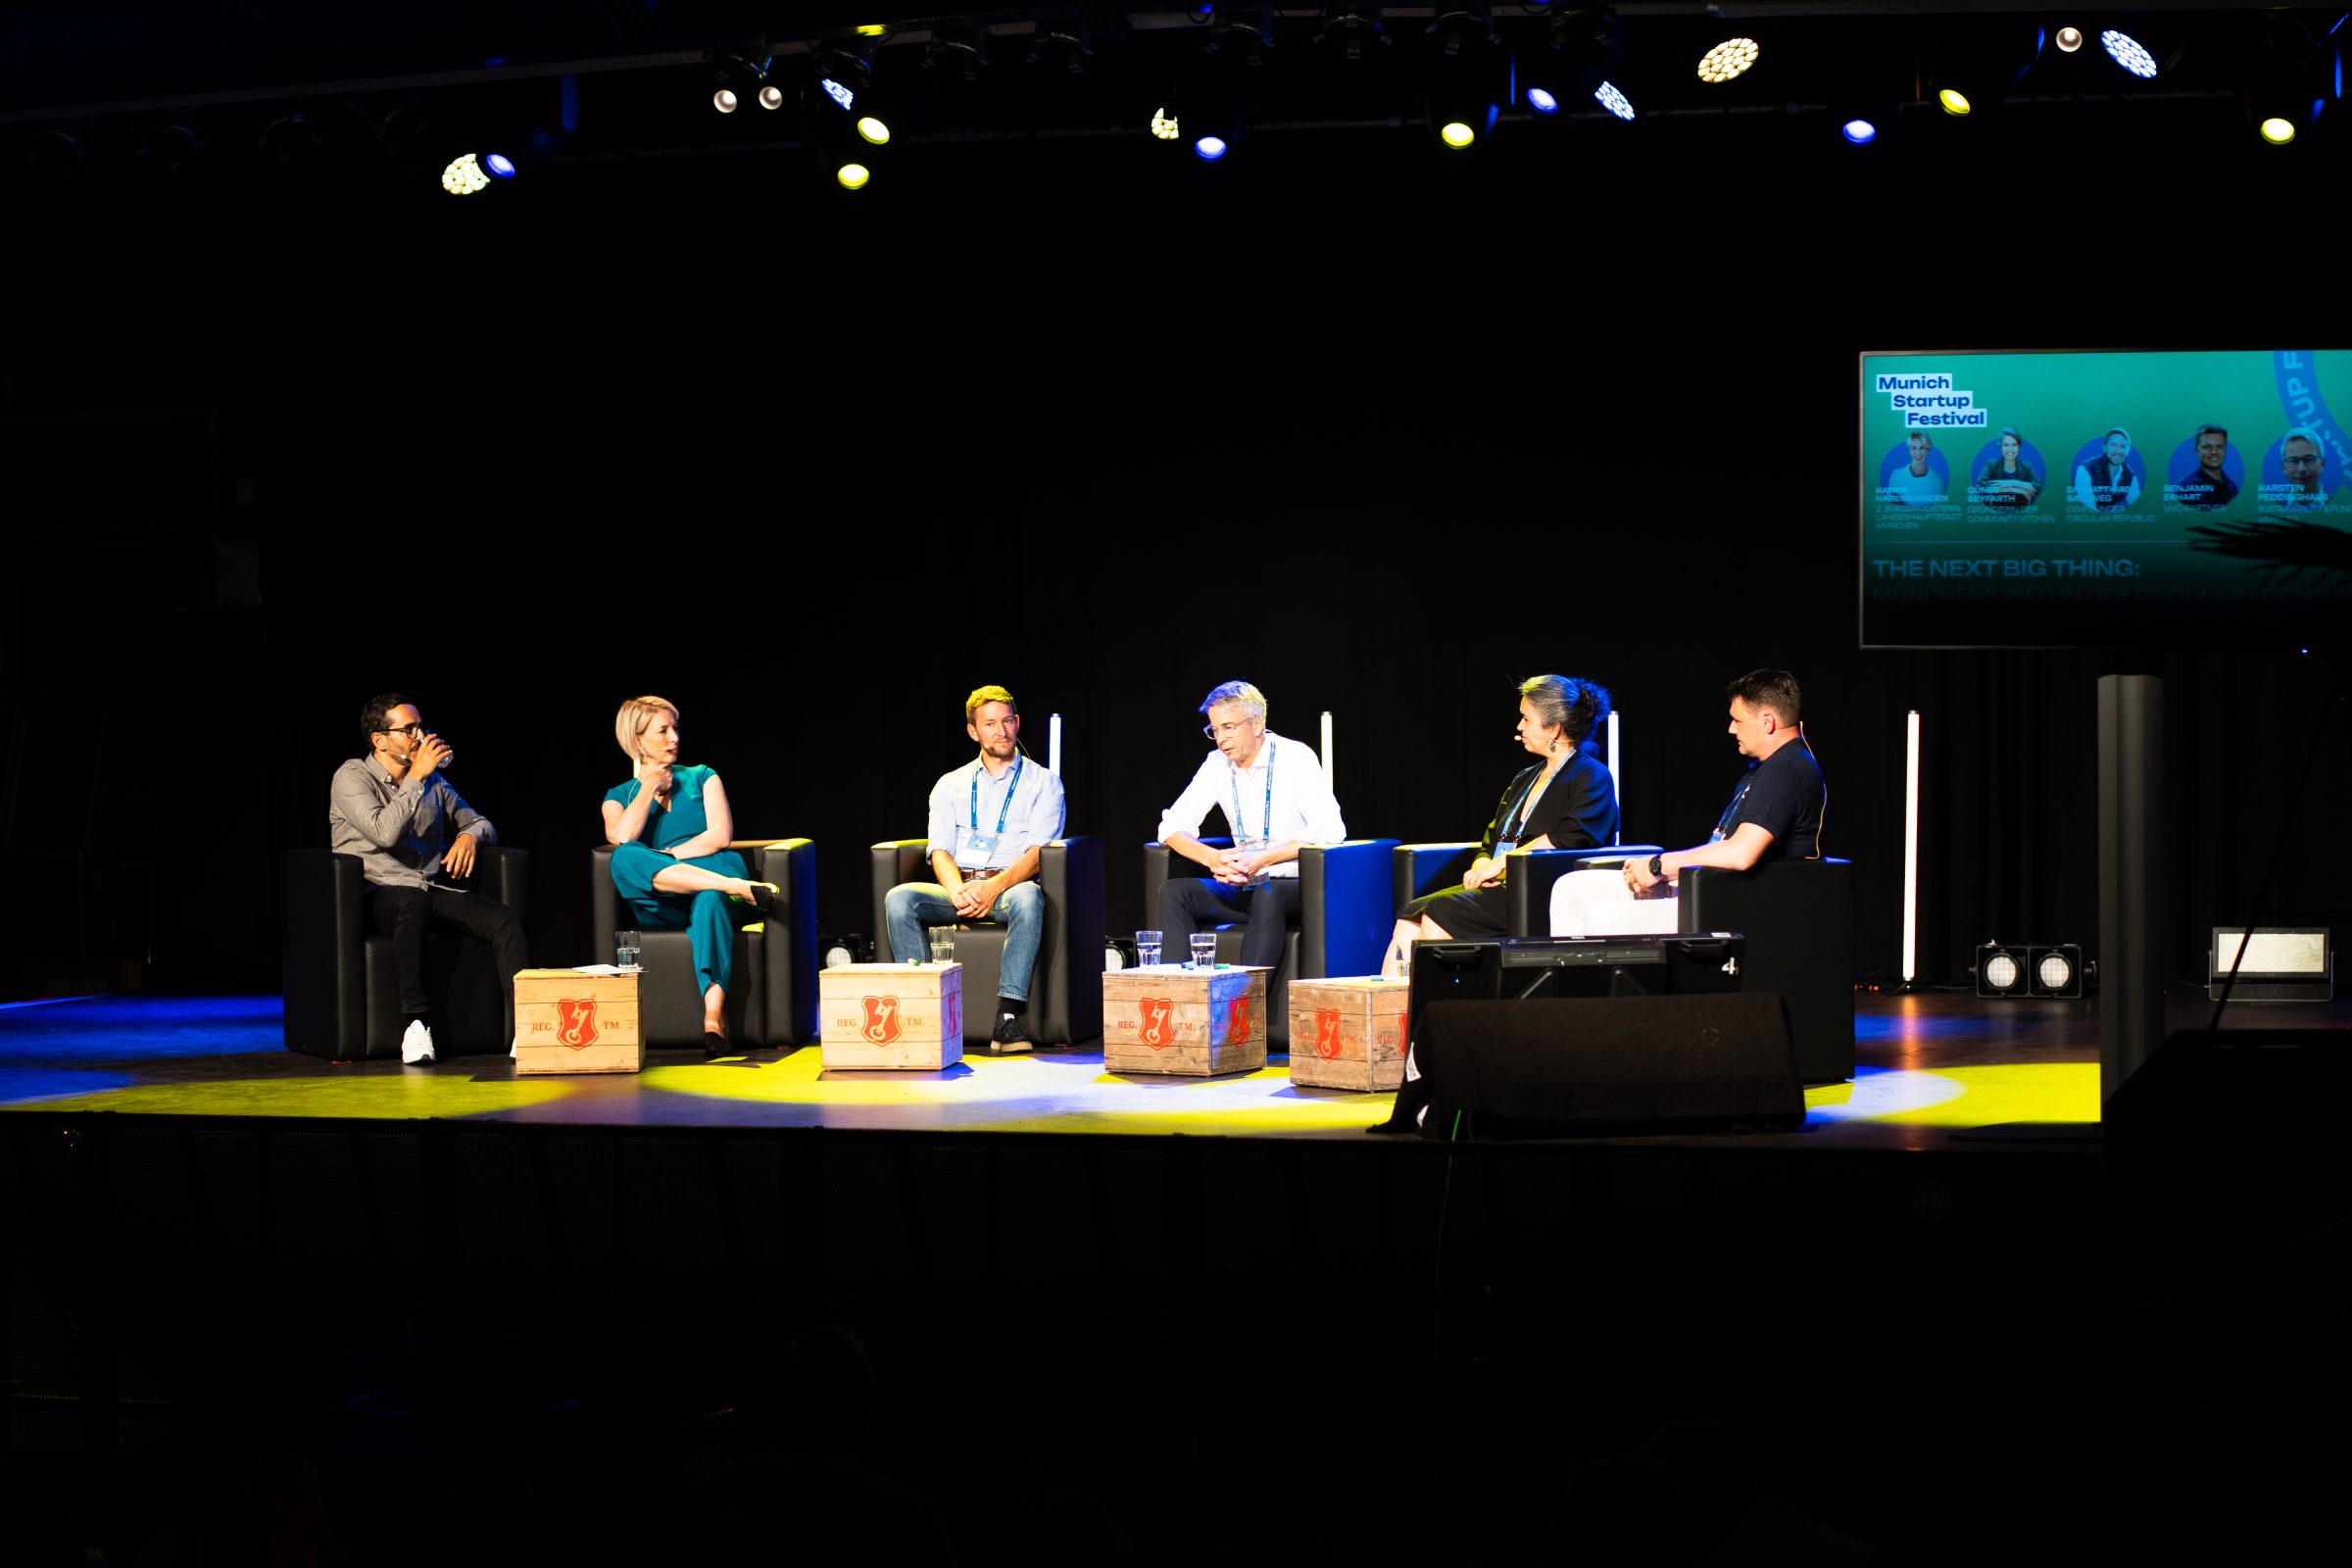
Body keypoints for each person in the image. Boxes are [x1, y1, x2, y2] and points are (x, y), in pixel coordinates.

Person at [1546, 669, 1827, 938]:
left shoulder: (1786, 769)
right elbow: (1724, 846)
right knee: (1570, 889)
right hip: (1708, 889)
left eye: (1737, 720)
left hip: (1735, 904)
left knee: (1609, 917)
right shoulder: (1766, 769)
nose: (1731, 729)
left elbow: (1741, 853)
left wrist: (1659, 866)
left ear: (1767, 722)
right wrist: (1671, 875)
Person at [328, 693, 529, 1065]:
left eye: (420, 727)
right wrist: (416, 777)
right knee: (411, 900)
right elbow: (383, 832)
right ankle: (416, 1024)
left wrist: (469, 836)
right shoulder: (352, 776)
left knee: (504, 919)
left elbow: (481, 822)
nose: (420, 736)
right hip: (376, 890)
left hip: (426, 888)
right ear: (380, 740)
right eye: (408, 729)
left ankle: (526, 1028)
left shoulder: (434, 783)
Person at [1380, 674, 1619, 974]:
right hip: (1501, 887)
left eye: (1526, 719)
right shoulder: (1525, 778)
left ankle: (1436, 1001)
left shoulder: (1591, 777)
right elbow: (1493, 838)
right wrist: (1482, 866)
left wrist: (1501, 864)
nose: (1519, 727)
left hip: (1540, 889)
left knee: (1437, 917)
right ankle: (1395, 1003)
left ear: (1554, 729)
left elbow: (1570, 836)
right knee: (1410, 917)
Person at [882, 684, 1068, 1052]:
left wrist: (992, 888)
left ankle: (1007, 1019)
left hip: (1008, 888)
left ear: (1018, 723)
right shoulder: (949, 784)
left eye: (1007, 721)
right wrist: (958, 891)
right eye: (990, 724)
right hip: (960, 888)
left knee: (1029, 898)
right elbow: (939, 850)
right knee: (899, 899)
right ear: (973, 731)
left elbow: (1037, 854)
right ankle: (923, 1014)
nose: (1001, 731)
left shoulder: (1044, 783)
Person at [601, 696, 782, 1055]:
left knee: (710, 899)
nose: (674, 738)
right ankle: (738, 887)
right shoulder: (618, 796)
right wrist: (648, 786)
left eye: (675, 728)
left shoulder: (702, 776)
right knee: (624, 856)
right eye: (663, 730)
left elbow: (720, 836)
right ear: (638, 740)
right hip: (666, 897)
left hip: (713, 877)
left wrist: (669, 856)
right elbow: (621, 836)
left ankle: (713, 1018)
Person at [1156, 680, 1347, 972]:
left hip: (1293, 886)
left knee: (1269, 893)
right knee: (1174, 892)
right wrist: (1213, 858)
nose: (1221, 739)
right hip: (1246, 885)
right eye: (1214, 730)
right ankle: (1177, 993)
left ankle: (1245, 997)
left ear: (1257, 724)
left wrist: (1262, 859)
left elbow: (1330, 829)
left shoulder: (1295, 757)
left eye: (1228, 727)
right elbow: (1171, 826)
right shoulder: (1216, 764)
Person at [1971, 427, 2041, 510]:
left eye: (2014, 445)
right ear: (2001, 448)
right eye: (2006, 445)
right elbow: (1980, 485)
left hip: (2022, 512)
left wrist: (2012, 483)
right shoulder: (1991, 464)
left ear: (2018, 448)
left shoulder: (2027, 465)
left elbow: (2038, 486)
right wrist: (2019, 490)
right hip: (1995, 511)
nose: (2010, 449)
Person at [2073, 427, 2142, 511]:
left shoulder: (2130, 475)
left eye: (2123, 446)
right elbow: (2087, 506)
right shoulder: (2085, 469)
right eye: (2113, 445)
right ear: (2104, 447)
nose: (2118, 451)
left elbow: (2138, 504)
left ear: (2128, 451)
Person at [2171, 423, 2236, 510]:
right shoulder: (2185, 489)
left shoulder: (2232, 487)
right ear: (2196, 450)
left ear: (2225, 449)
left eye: (2219, 446)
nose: (2214, 452)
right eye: (2206, 447)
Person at [1883, 431, 1947, 507]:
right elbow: (1893, 501)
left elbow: (1937, 506)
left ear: (1928, 450)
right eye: (1914, 448)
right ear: (1909, 450)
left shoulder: (1938, 479)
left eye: (1922, 448)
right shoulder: (1897, 475)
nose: (1918, 453)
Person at [2277, 427, 2330, 510]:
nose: (2301, 469)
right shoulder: (2274, 504)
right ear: (2284, 467)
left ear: (2322, 464)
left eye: (2309, 459)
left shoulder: (2338, 501)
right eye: (2293, 461)